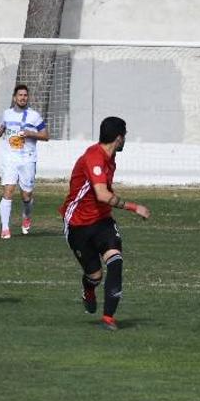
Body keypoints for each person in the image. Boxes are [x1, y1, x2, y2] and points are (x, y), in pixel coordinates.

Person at [61, 116, 150, 331]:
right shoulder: (94, 157)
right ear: (119, 138)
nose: (125, 140)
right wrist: (133, 207)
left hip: (103, 221)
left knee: (115, 261)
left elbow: (102, 197)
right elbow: (102, 194)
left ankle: (108, 318)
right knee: (95, 276)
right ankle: (88, 290)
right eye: (125, 136)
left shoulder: (110, 159)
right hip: (78, 224)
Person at [0, 83, 49, 239]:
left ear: (27, 97)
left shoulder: (34, 116)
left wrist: (31, 133)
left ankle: (26, 217)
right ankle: (5, 228)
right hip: (10, 158)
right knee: (8, 191)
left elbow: (46, 136)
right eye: (20, 95)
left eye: (25, 95)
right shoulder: (6, 114)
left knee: (27, 196)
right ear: (14, 97)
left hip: (28, 158)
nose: (23, 98)